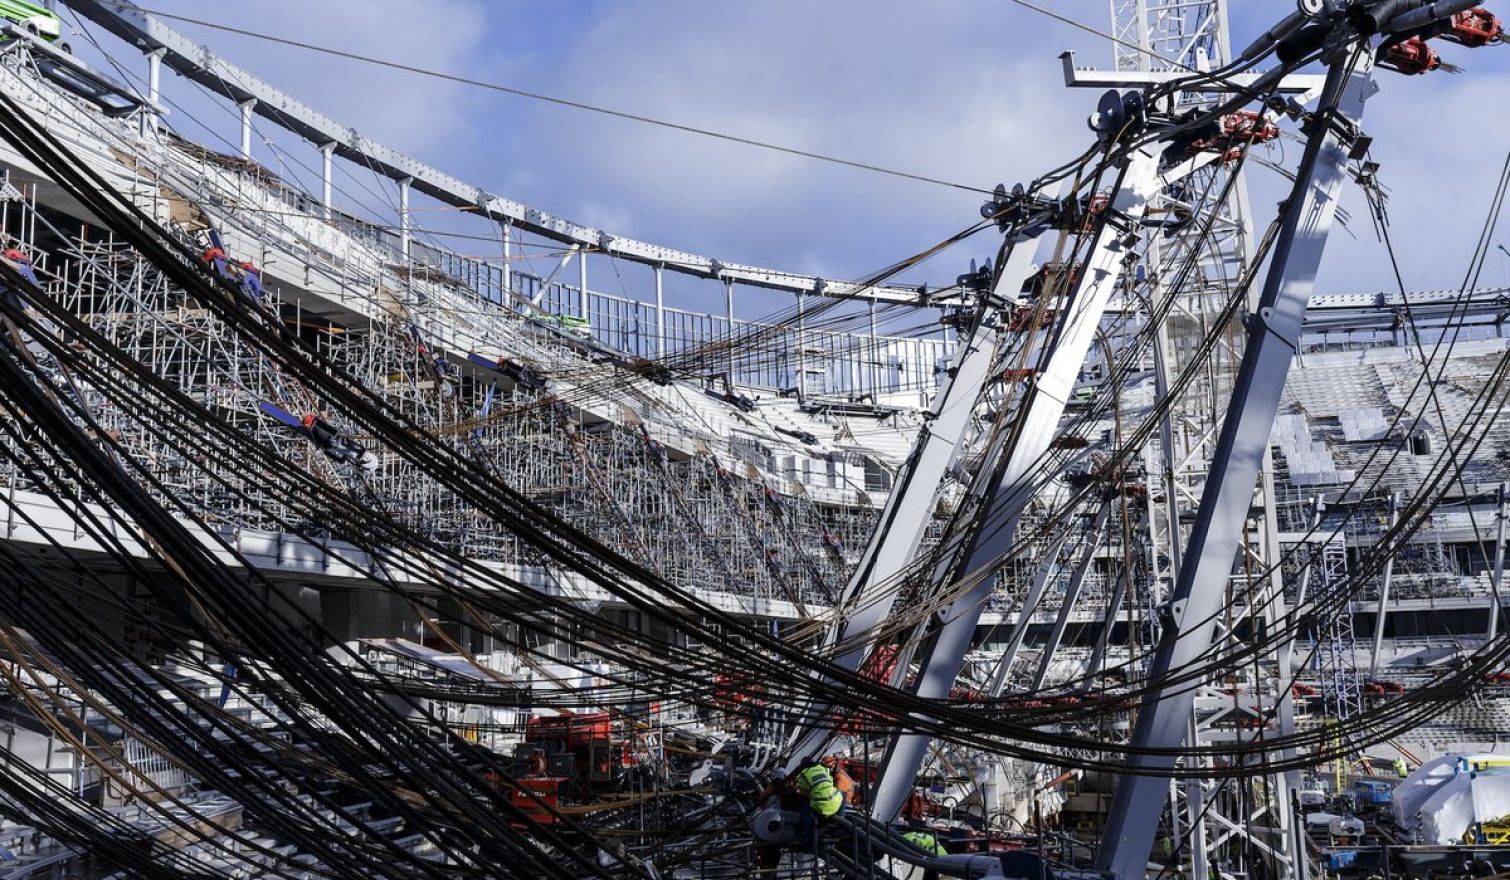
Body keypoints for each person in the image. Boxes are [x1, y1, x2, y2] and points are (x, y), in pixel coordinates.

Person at [794, 755, 846, 851]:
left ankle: (808, 840)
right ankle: (840, 820)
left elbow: (802, 791)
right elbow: (830, 782)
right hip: (835, 800)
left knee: (806, 809)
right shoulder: (824, 769)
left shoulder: (803, 774)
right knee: (843, 794)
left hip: (821, 805)